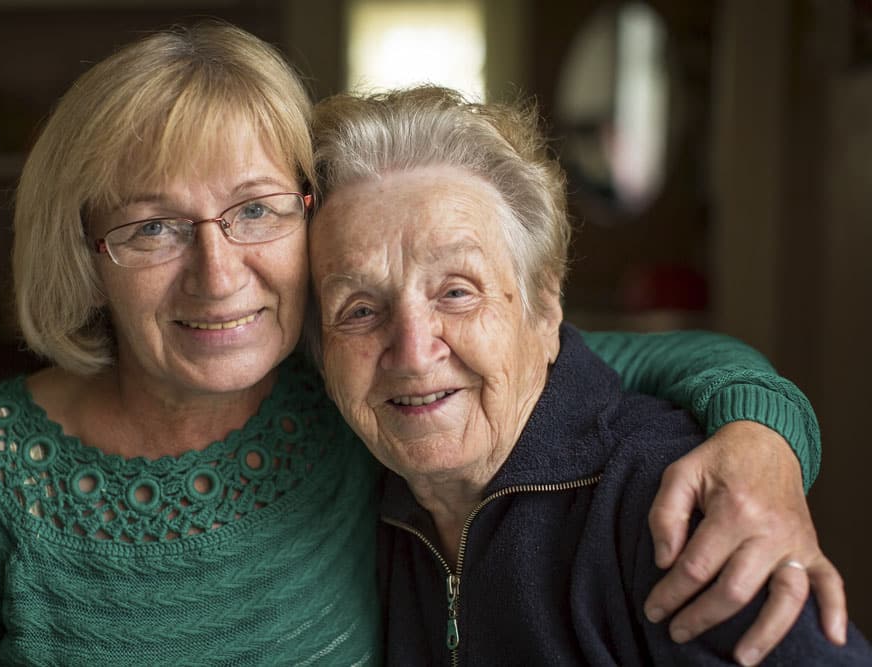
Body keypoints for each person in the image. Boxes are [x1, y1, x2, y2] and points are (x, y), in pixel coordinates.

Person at [0, 22, 843, 666]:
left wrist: (763, 441)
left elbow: (635, 363)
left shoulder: (347, 390)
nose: (217, 276)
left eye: (253, 211)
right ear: (87, 252)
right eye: (152, 228)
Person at [306, 85, 869, 665]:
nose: (414, 354)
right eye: (361, 311)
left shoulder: (664, 503)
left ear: (545, 309)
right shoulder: (347, 496)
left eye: (456, 292)